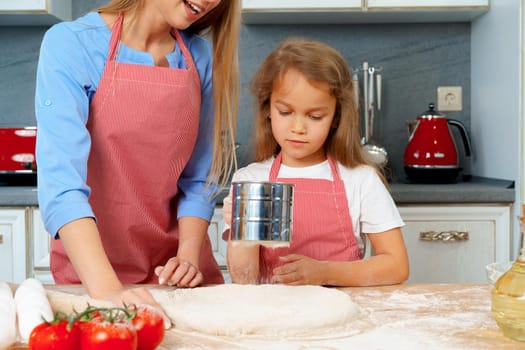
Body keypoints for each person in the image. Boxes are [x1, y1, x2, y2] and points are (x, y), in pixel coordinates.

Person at [35, 0, 240, 323]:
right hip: (96, 277)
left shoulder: (200, 57)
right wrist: (107, 291)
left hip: (180, 284)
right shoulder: (73, 44)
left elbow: (200, 179)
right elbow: (62, 187)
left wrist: (186, 261)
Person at [222, 38, 409, 287]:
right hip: (274, 317)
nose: (298, 128)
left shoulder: (360, 179)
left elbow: (396, 266)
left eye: (315, 116)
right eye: (285, 112)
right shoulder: (252, 180)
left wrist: (325, 273)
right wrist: (241, 232)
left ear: (335, 117)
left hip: (344, 314)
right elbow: (244, 280)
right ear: (267, 108)